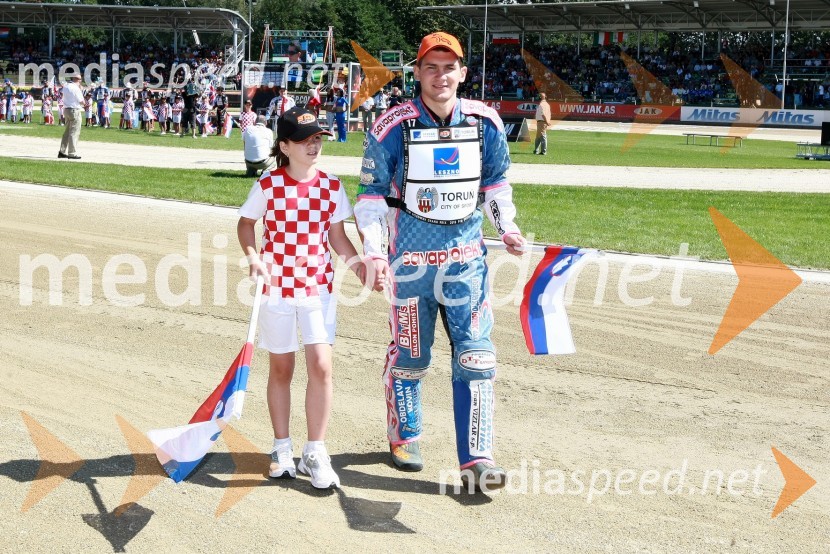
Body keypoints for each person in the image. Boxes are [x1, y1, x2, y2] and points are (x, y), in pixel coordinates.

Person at [354, 31, 527, 492]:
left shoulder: (485, 121)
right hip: (409, 265)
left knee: (476, 355)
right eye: (431, 67)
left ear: (462, 73)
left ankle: (478, 459)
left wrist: (505, 228)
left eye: (449, 67)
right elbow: (370, 197)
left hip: (466, 263)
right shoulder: (392, 126)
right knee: (412, 355)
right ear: (417, 72)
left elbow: (495, 187)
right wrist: (373, 252)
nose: (440, 75)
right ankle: (405, 434)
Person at [236, 106, 366, 489]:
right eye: (306, 139)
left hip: (317, 289)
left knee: (322, 366)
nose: (314, 144)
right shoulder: (268, 185)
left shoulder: (331, 186)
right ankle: (281, 447)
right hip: (276, 290)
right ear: (285, 146)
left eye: (318, 138)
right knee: (281, 369)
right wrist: (253, 257)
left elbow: (337, 237)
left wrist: (359, 266)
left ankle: (315, 451)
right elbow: (246, 224)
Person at [58, 74, 85, 159]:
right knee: (74, 132)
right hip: (74, 110)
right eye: (80, 80)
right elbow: (82, 101)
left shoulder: (66, 86)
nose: (80, 81)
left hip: (66, 110)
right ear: (77, 80)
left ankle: (62, 151)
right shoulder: (76, 88)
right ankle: (72, 153)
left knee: (67, 132)